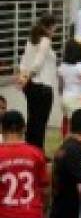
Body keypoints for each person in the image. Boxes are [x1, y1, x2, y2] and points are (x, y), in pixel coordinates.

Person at [15, 14, 58, 151]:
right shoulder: (45, 40)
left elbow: (23, 62)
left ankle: (30, 150)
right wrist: (27, 76)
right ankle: (38, 151)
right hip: (42, 86)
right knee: (40, 122)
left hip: (31, 86)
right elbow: (37, 63)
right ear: (49, 26)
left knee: (33, 120)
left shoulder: (31, 40)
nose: (55, 30)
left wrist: (24, 76)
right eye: (54, 27)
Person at [58, 39, 81, 116]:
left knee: (66, 123)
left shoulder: (62, 66)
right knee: (77, 125)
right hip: (76, 99)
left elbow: (60, 87)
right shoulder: (79, 66)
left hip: (65, 98)